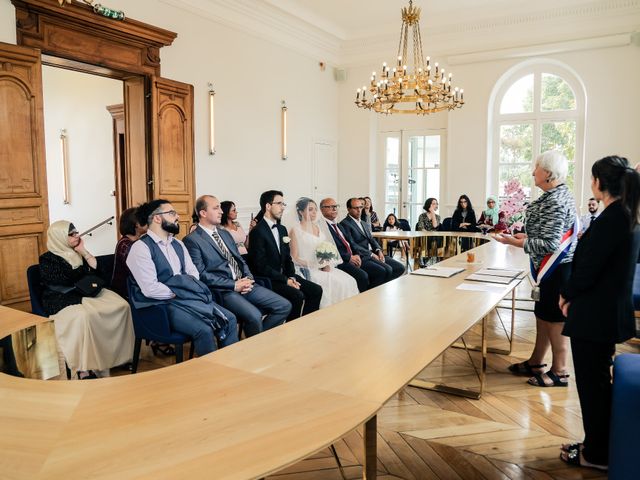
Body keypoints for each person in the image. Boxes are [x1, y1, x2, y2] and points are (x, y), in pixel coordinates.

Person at [558, 156, 640, 471]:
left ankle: (596, 454)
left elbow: (589, 269)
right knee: (597, 384)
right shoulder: (625, 214)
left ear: (598, 183)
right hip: (604, 312)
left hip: (595, 316)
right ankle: (599, 444)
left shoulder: (612, 219)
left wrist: (567, 294)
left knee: (592, 388)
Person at [495, 150, 577, 387]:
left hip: (556, 269)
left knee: (554, 319)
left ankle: (560, 371)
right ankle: (536, 361)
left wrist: (516, 242)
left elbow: (552, 244)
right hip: (551, 268)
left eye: (537, 167)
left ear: (549, 174)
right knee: (543, 316)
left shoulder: (554, 199)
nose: (533, 172)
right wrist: (528, 235)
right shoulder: (556, 194)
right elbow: (551, 233)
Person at [127, 199, 238, 356]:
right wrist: (182, 289)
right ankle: (211, 376)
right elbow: (150, 289)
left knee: (230, 319)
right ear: (157, 218)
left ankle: (230, 365)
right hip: (161, 306)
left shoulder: (178, 244)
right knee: (204, 330)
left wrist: (182, 288)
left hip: (187, 297)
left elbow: (193, 274)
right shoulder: (140, 248)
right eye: (172, 213)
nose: (177, 216)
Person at [184, 195, 291, 337]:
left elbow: (240, 259)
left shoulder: (225, 234)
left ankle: (256, 343)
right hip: (224, 290)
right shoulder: (193, 240)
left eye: (220, 208)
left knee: (284, 306)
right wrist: (233, 285)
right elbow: (201, 274)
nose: (221, 211)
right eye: (216, 208)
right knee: (254, 316)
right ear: (203, 213)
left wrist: (248, 278)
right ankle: (257, 347)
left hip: (245, 283)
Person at [40, 220, 134, 379]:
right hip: (61, 297)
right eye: (72, 234)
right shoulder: (48, 259)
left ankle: (120, 357)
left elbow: (98, 273)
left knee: (122, 306)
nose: (77, 236)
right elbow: (64, 280)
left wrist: (84, 252)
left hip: (84, 292)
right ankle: (85, 367)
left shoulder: (77, 252)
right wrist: (80, 264)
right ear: (59, 237)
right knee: (84, 317)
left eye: (77, 232)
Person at [247, 190, 322, 320]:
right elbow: (260, 266)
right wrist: (285, 280)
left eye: (283, 204)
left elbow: (287, 258)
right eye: (279, 203)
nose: (283, 207)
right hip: (270, 279)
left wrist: (292, 276)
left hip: (286, 276)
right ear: (268, 206)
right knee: (297, 295)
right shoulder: (257, 232)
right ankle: (291, 331)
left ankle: (306, 324)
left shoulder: (282, 229)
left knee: (316, 290)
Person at [288, 197, 359, 308]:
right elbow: (294, 258)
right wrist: (316, 264)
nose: (314, 212)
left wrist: (326, 262)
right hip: (308, 269)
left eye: (315, 209)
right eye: (310, 209)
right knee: (336, 284)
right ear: (301, 212)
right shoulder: (295, 230)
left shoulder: (318, 227)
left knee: (349, 281)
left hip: (324, 266)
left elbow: (327, 248)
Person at [340, 198, 404, 288]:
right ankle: (372, 292)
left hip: (373, 253)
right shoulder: (345, 224)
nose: (359, 210)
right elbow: (352, 244)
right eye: (355, 208)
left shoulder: (363, 223)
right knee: (386, 270)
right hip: (362, 256)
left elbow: (372, 239)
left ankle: (380, 288)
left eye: (360, 207)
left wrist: (379, 250)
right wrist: (371, 254)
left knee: (400, 268)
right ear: (348, 209)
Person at [320, 197, 370, 292]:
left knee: (379, 270)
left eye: (335, 206)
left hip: (353, 257)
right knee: (363, 276)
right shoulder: (322, 227)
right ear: (322, 209)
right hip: (340, 261)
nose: (334, 209)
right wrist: (349, 258)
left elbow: (351, 242)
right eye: (330, 207)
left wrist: (357, 255)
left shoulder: (338, 225)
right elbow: (331, 249)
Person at [111, 207, 148, 299]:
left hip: (136, 287)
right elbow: (140, 270)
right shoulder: (125, 244)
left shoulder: (137, 241)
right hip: (126, 292)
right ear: (136, 224)